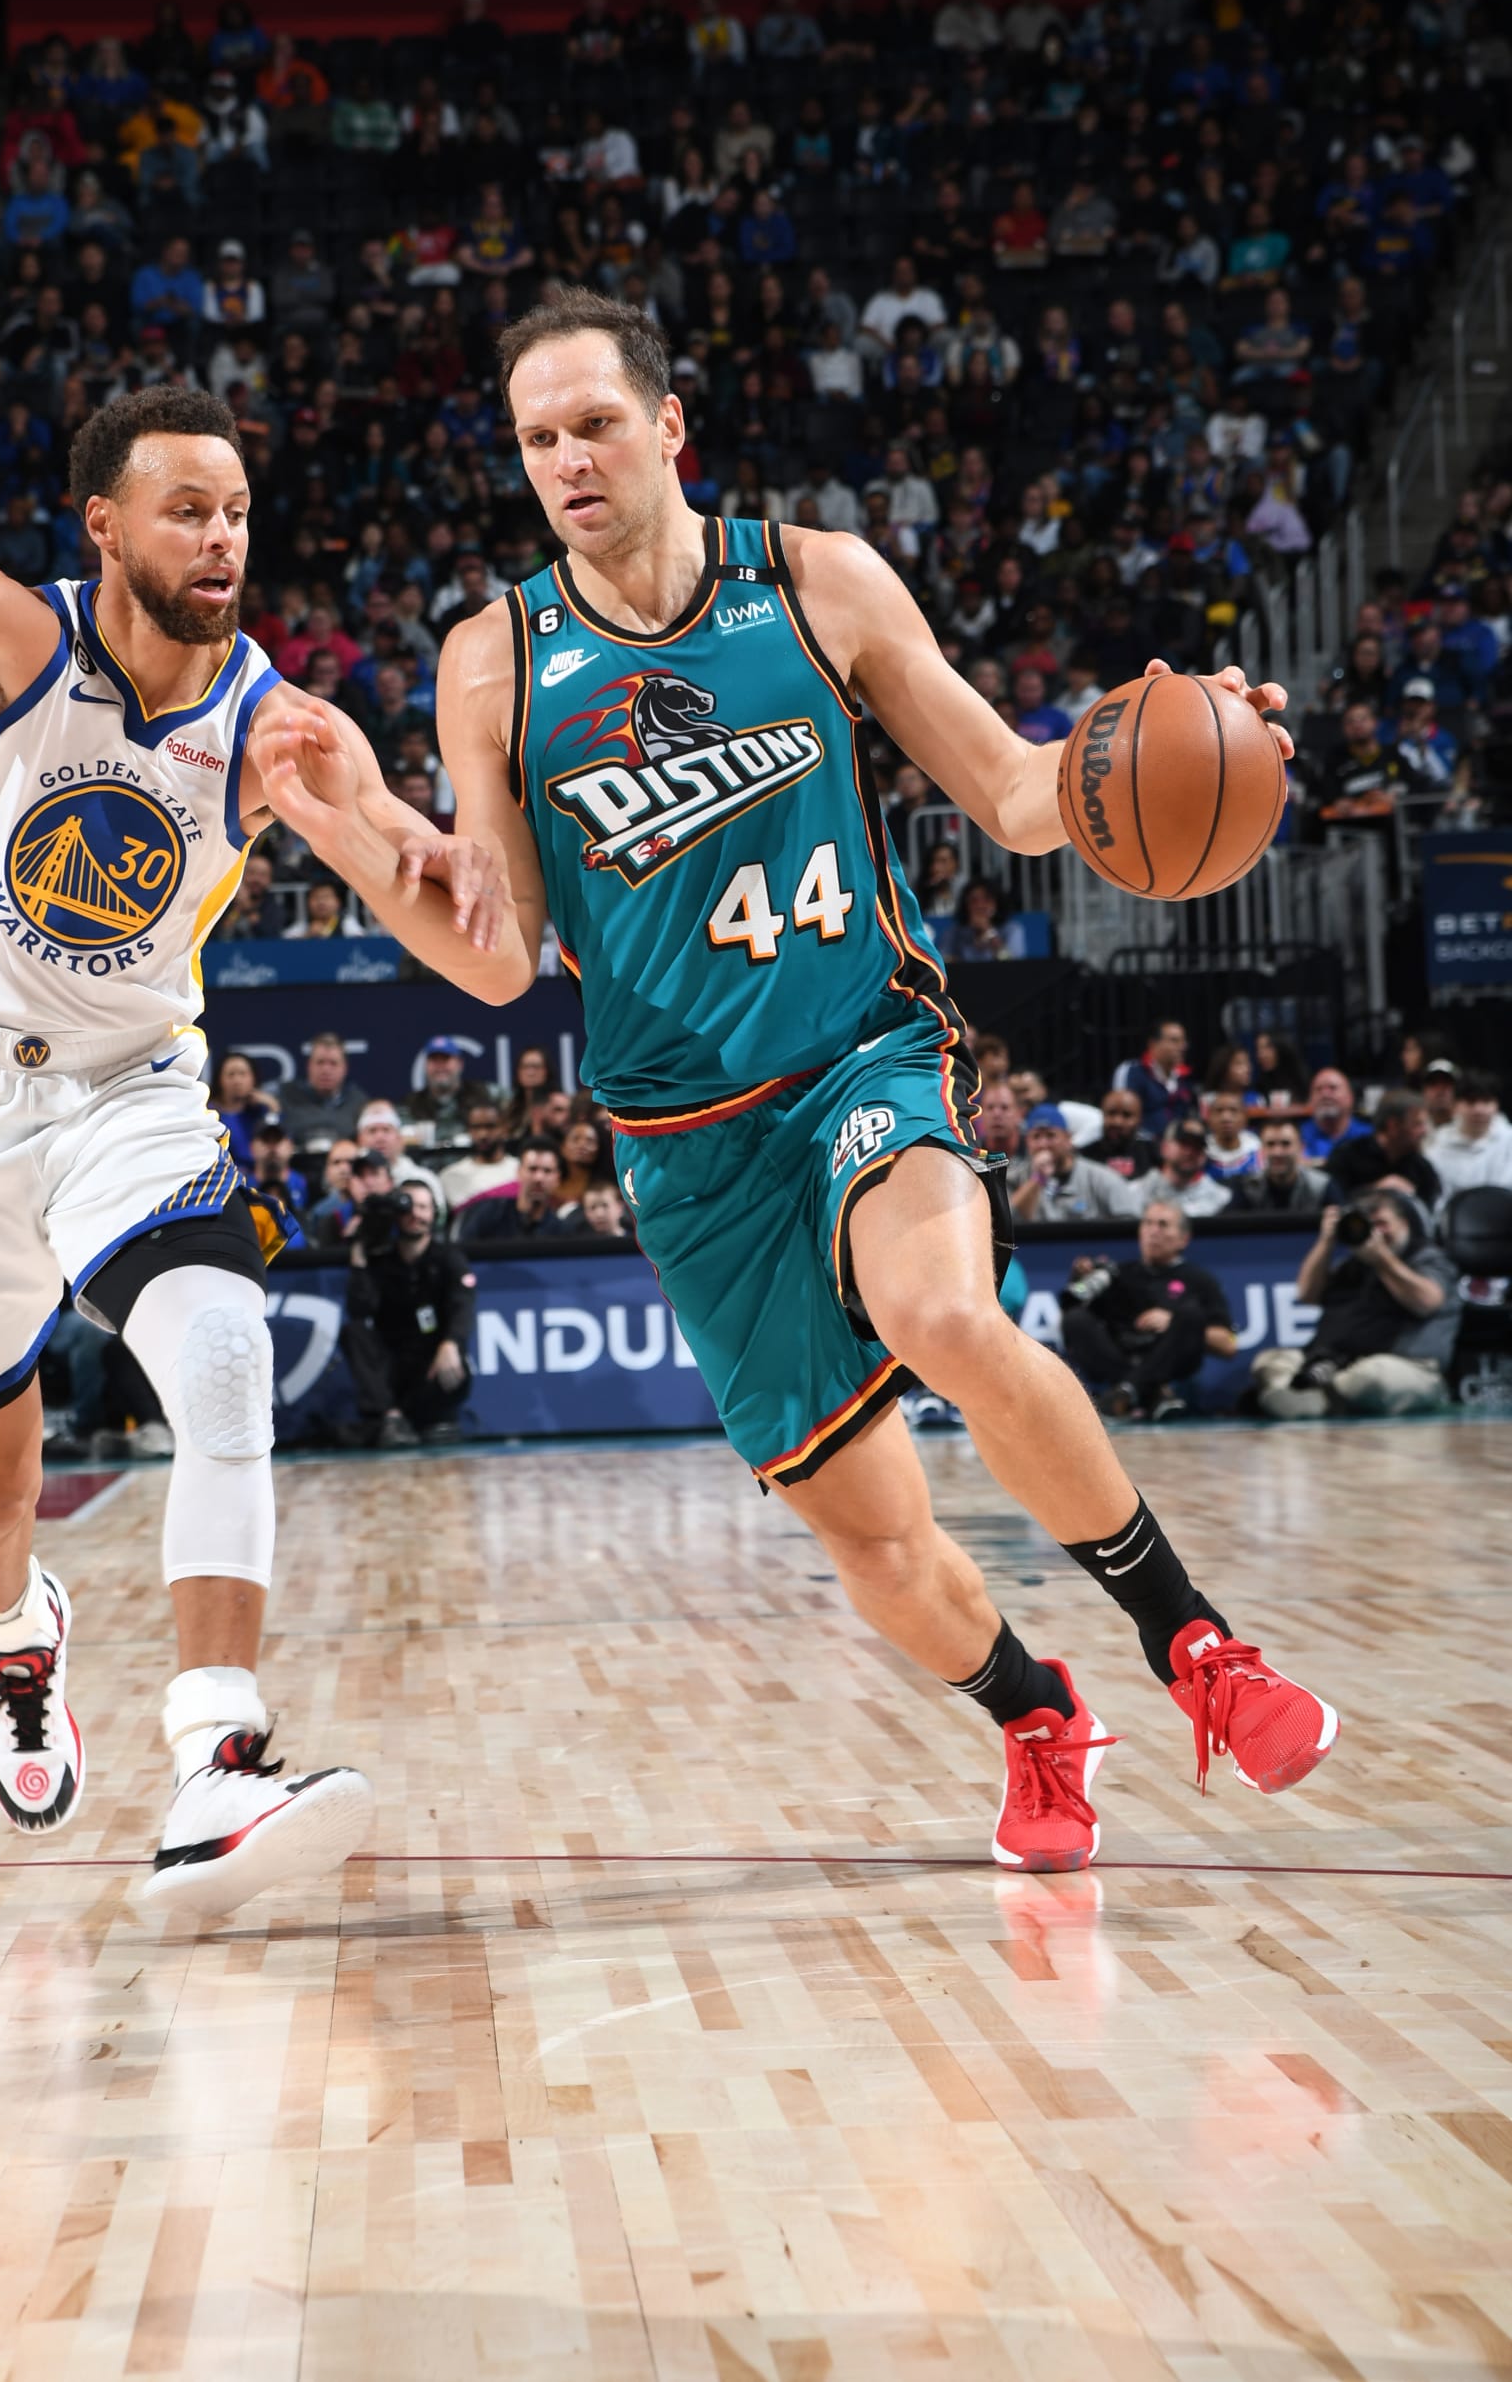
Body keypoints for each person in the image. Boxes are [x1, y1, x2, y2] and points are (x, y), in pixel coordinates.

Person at [254, 283, 1336, 1873]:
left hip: (861, 1052)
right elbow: (497, 953)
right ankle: (1039, 1714)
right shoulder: (492, 657)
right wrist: (334, 824)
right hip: (687, 1145)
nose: (566, 458)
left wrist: (1173, 734)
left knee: (946, 1314)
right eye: (536, 436)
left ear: (670, 425)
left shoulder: (815, 579)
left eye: (595, 423)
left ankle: (1202, 1650)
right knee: (881, 1541)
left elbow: (1025, 794)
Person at [0, 350, 506, 1923]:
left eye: (239, 511)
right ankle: (19, 1641)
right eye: (188, 508)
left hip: (127, 1085)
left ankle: (216, 1756)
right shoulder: (13, 634)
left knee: (219, 1353)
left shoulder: (275, 714)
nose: (222, 537)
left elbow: (474, 954)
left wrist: (398, 837)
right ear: (105, 524)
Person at [1252, 1190, 1459, 1418]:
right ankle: (1310, 1397)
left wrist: (1382, 1259)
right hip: (1335, 1363)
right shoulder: (1352, 1264)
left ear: (1404, 1223)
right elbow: (1306, 1295)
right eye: (1367, 1225)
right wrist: (1326, 1241)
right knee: (1270, 1361)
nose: (1375, 1233)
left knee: (1374, 1375)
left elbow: (1427, 1301)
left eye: (1382, 1224)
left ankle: (1306, 1399)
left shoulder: (1426, 1257)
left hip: (1408, 1366)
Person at [1058, 1200, 1239, 1424]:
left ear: (1184, 1239)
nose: (1154, 1231)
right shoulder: (1118, 1274)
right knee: (1075, 1319)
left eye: (1163, 1225)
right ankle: (1150, 1393)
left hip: (1172, 1360)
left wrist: (1175, 1321)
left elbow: (1228, 1345)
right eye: (1148, 1223)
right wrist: (1078, 1282)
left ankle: (1126, 1392)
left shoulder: (1200, 1280)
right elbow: (1075, 1320)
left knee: (1191, 1314)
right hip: (1121, 1356)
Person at [339, 1178, 474, 1446]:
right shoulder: (381, 1261)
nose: (416, 1215)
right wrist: (359, 1254)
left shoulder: (448, 1258)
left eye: (424, 1207)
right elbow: (359, 1309)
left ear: (434, 1213)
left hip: (431, 1365)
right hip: (391, 1371)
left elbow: (463, 1303)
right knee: (353, 1332)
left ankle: (412, 1423)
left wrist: (452, 1342)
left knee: (457, 1367)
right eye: (409, 1207)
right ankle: (392, 1418)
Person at [1325, 1086, 1441, 1214]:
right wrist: (1376, 1191)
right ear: (1393, 1126)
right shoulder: (1346, 1156)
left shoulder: (1421, 1167)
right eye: (1417, 1124)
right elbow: (1334, 1203)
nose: (1423, 1131)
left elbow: (1431, 1212)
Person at [1008, 1115, 1142, 1224]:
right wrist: (1037, 1179)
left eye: (1051, 1135)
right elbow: (1004, 1223)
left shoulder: (1100, 1177)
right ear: (1027, 1142)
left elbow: (1130, 1221)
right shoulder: (1015, 1178)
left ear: (1068, 1138)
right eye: (1036, 1137)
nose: (1043, 1144)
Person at [274, 1028, 369, 1154]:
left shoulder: (359, 1102)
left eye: (333, 1063)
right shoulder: (285, 1096)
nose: (326, 1070)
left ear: (345, 1068)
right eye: (320, 1062)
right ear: (309, 1066)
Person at [1428, 1069, 1512, 1208]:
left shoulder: (1509, 1140)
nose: (1479, 1110)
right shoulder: (1437, 1146)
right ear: (1455, 1105)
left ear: (1496, 1105)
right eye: (1471, 1102)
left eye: (1486, 1101)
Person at [455, 1139, 566, 1244]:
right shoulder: (488, 1213)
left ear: (558, 1178)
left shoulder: (561, 1231)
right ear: (518, 1172)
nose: (538, 1178)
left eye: (547, 1171)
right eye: (532, 1169)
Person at [1111, 1021, 1198, 1135]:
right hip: (1141, 1145)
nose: (1182, 1046)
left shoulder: (1185, 1079)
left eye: (1183, 1041)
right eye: (1174, 1041)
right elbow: (1121, 1116)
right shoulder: (1132, 1072)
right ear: (1153, 1044)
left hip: (1180, 1147)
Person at [437, 1098, 522, 1215]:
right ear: (468, 1130)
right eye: (476, 1127)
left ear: (504, 1128)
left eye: (490, 1126)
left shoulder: (522, 1171)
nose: (483, 1134)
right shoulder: (450, 1176)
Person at [1233, 1117, 1330, 1215]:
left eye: (1285, 1144)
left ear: (1301, 1148)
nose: (1277, 1152)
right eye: (1270, 1144)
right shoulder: (1247, 1188)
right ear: (1261, 1150)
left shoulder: (1322, 1187)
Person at [1145, 1118, 1232, 1219]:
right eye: (1184, 1143)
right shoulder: (1140, 1191)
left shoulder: (1221, 1198)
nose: (1190, 1151)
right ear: (1164, 1147)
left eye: (1197, 1146)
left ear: (1204, 1155)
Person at [1084, 1088, 1160, 1183]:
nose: (1117, 1122)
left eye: (1126, 1115)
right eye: (1111, 1113)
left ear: (1140, 1119)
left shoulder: (1153, 1153)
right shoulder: (1085, 1156)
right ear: (1103, 1114)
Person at [1301, 1067, 1371, 1164]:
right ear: (1310, 1100)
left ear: (1350, 1097)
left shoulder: (1368, 1135)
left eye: (1333, 1088)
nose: (1325, 1094)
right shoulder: (1299, 1136)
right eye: (1318, 1089)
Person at [1202, 1091, 1262, 1184]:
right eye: (1219, 1111)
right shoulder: (1200, 1151)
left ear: (1245, 1118)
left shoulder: (1258, 1150)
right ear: (1209, 1118)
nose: (1226, 1118)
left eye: (1233, 1110)